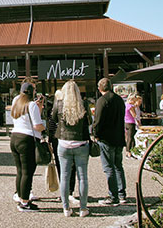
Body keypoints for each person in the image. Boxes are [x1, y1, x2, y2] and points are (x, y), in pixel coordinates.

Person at [51, 80, 91, 217]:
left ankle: (66, 208)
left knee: (64, 176)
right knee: (82, 177)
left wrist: (51, 136)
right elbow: (88, 123)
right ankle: (83, 208)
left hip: (64, 143)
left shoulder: (59, 104)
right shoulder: (83, 104)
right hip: (81, 143)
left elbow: (53, 120)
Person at [10, 81, 44, 212]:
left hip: (15, 136)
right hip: (27, 138)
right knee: (28, 171)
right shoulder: (31, 105)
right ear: (32, 92)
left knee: (20, 170)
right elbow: (37, 125)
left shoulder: (16, 102)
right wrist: (44, 127)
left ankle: (19, 196)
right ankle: (24, 202)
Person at [92, 77, 127, 206]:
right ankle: (122, 193)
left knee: (109, 168)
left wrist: (95, 134)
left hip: (107, 138)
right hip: (119, 136)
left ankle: (113, 196)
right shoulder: (119, 100)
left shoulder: (102, 100)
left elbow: (98, 120)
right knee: (118, 166)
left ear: (100, 87)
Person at [48, 90, 77, 206]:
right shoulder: (72, 107)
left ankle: (64, 191)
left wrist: (50, 138)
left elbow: (51, 123)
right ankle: (70, 190)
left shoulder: (54, 107)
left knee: (61, 166)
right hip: (70, 138)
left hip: (57, 138)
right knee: (72, 165)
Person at [124, 94, 142, 159]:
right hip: (131, 122)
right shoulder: (130, 106)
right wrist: (138, 121)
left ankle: (130, 151)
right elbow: (134, 115)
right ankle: (128, 152)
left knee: (130, 137)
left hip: (126, 122)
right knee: (131, 137)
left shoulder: (126, 105)